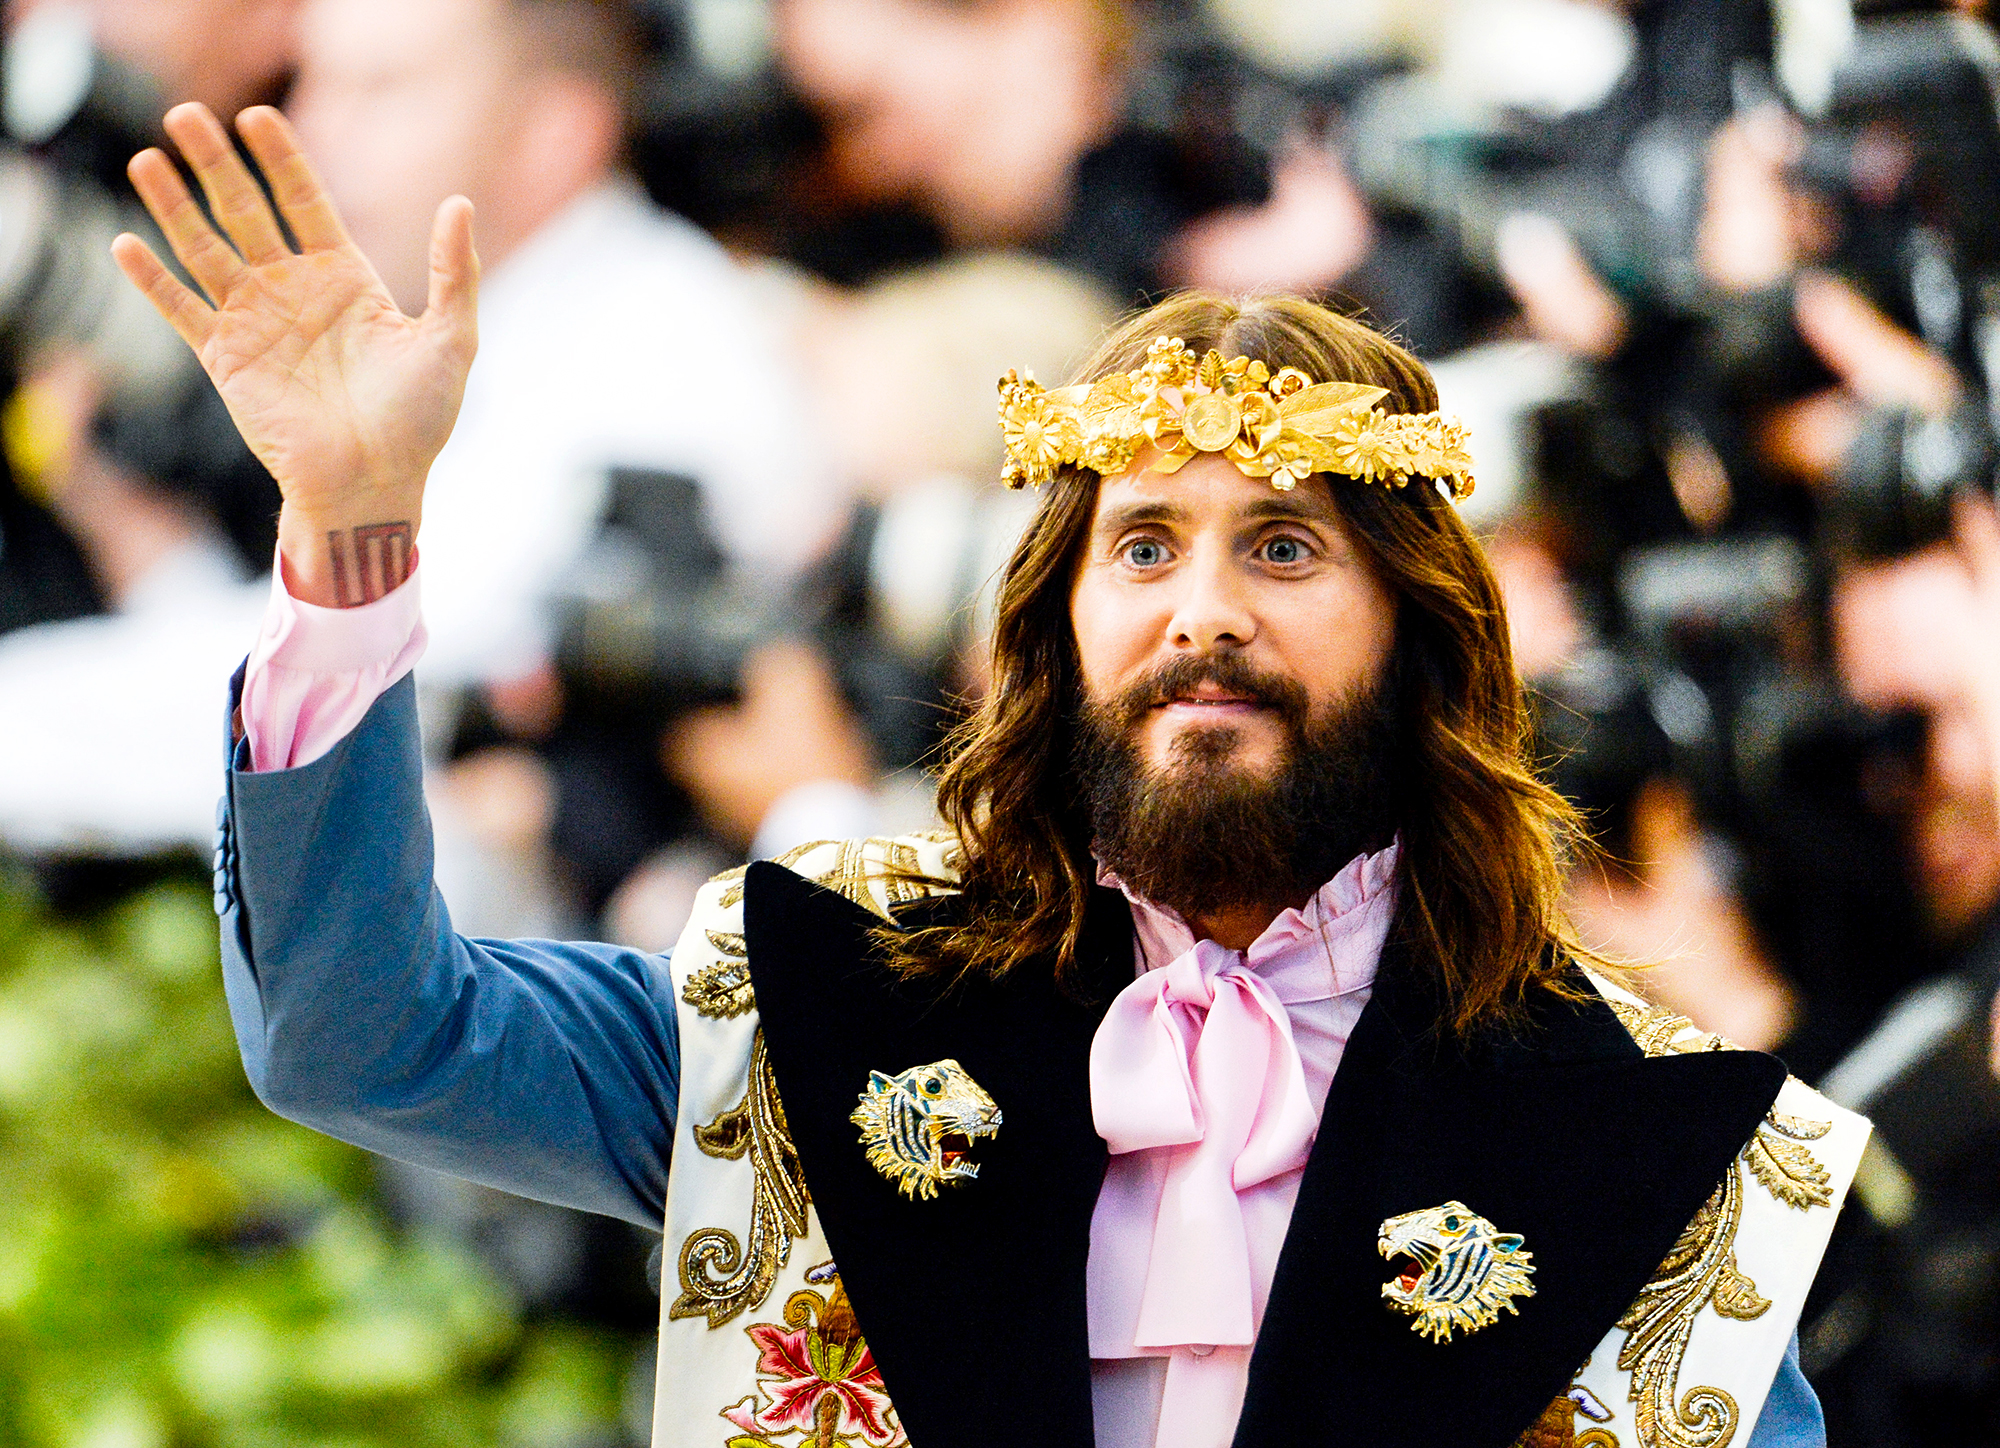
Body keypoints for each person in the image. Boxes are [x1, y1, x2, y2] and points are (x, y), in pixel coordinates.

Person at [115, 103, 1865, 1447]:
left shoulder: (1649, 1140)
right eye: (1145, 548)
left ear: (1423, 642)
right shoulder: (809, 1004)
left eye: (1282, 549)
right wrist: (350, 539)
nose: (1203, 611)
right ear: (1052, 635)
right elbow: (359, 1035)